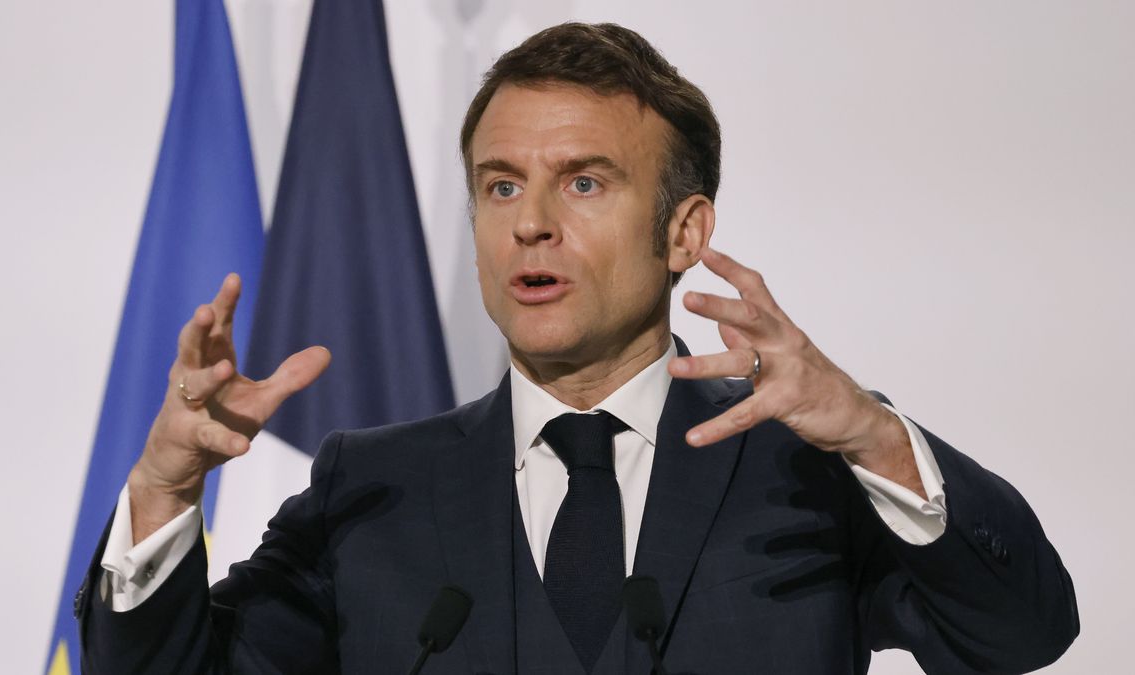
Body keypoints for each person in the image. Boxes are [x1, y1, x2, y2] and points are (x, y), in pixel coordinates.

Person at [76, 22, 1078, 674]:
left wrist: (872, 435)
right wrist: (164, 491)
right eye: (501, 185)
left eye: (586, 182)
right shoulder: (369, 488)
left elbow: (1022, 630)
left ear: (685, 233)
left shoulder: (802, 472)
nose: (531, 224)